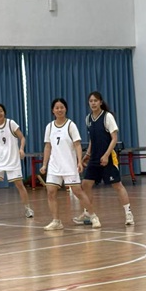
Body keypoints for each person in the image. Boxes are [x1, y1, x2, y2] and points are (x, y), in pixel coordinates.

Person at [73, 91, 134, 226]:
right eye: (91, 101)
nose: (93, 103)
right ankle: (88, 214)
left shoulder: (107, 117)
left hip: (108, 157)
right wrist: (87, 155)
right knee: (85, 184)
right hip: (94, 158)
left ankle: (128, 214)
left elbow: (114, 139)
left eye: (95, 100)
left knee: (117, 185)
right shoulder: (88, 119)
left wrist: (106, 155)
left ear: (100, 102)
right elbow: (92, 140)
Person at [39, 98, 101, 230]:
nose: (59, 110)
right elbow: (48, 146)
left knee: (78, 192)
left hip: (69, 165)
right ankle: (56, 221)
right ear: (53, 110)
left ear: (65, 109)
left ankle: (93, 216)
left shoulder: (70, 125)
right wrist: (44, 164)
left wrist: (79, 161)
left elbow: (77, 145)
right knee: (50, 192)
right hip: (54, 166)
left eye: (62, 107)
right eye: (57, 108)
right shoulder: (49, 127)